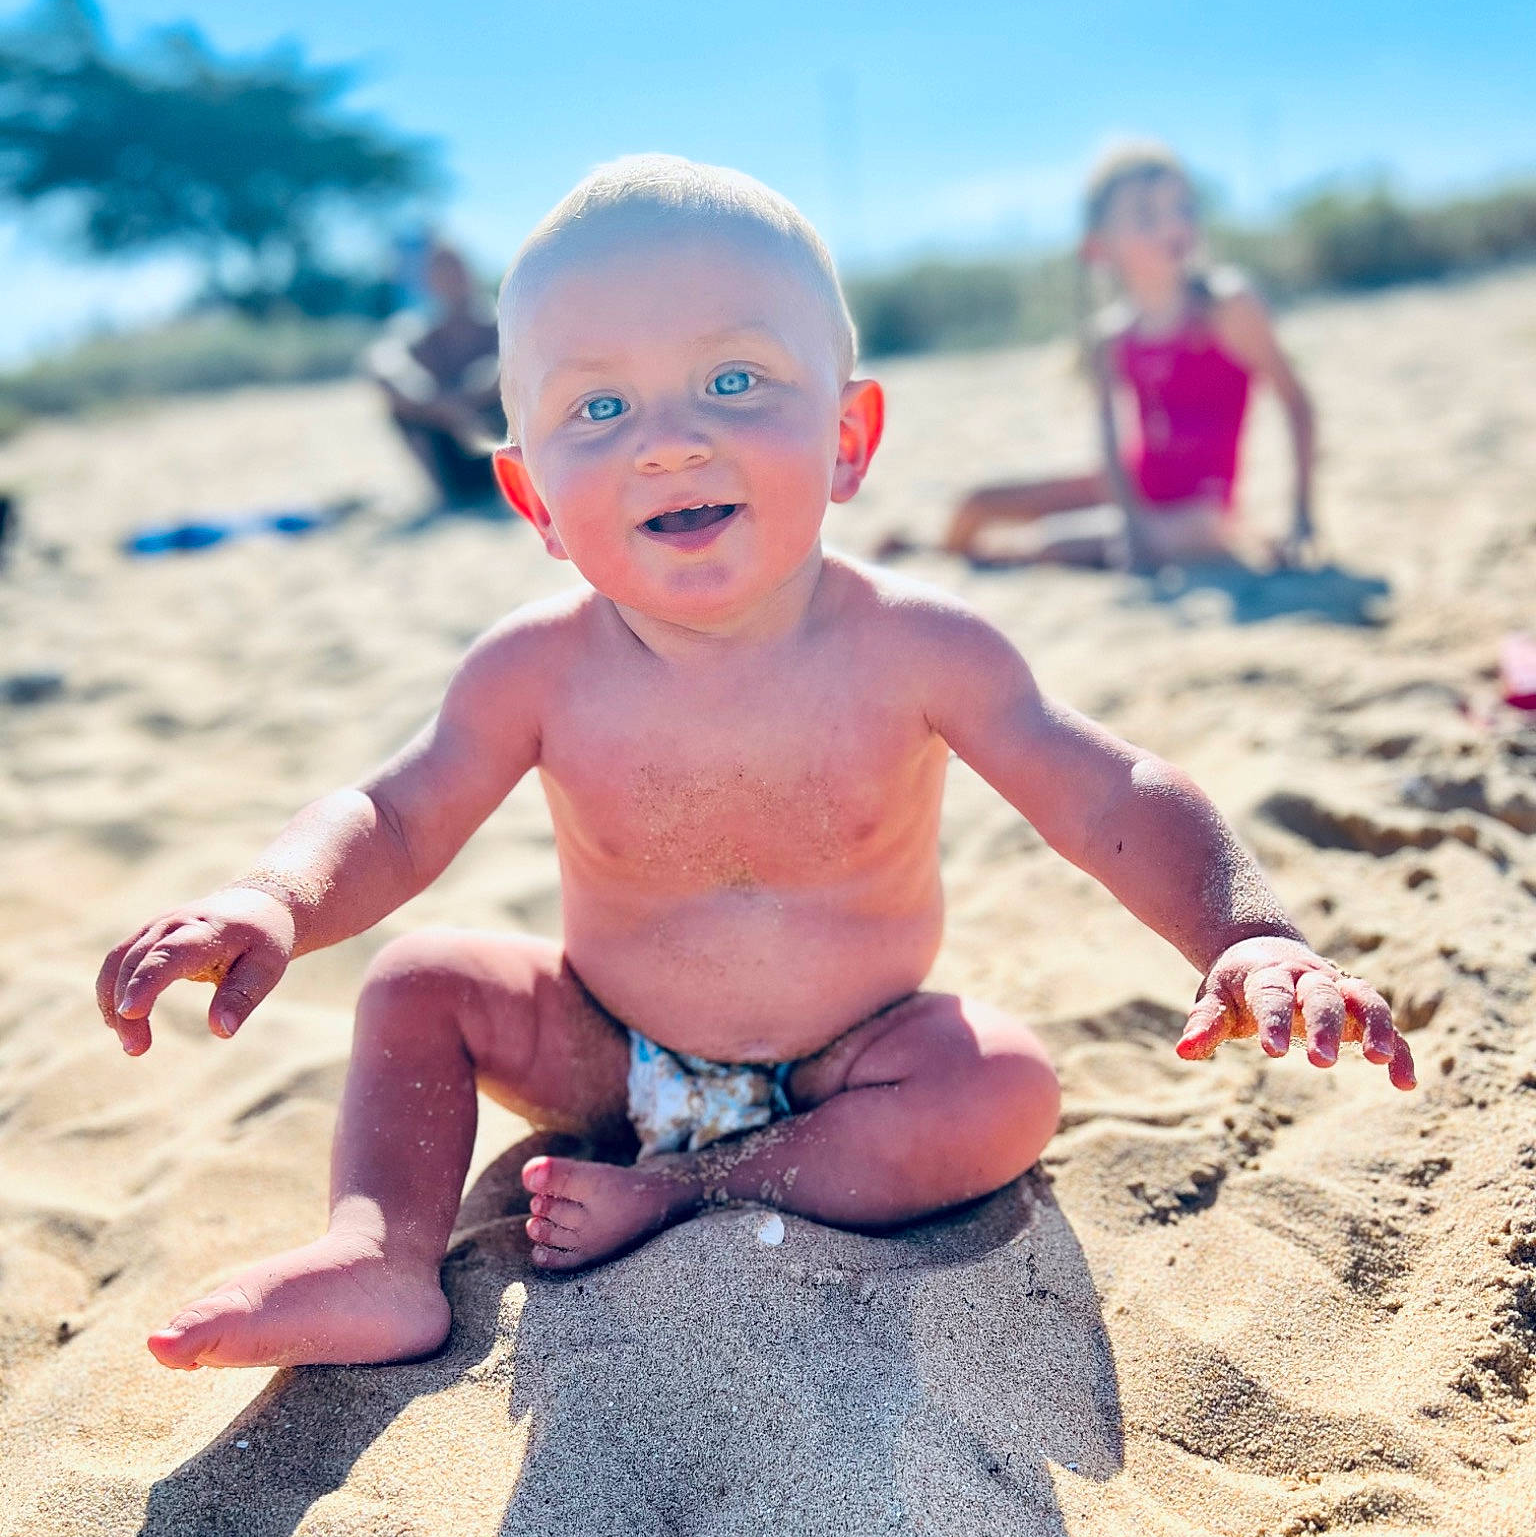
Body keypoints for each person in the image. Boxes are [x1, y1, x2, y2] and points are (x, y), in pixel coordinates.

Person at [96, 156, 1414, 1374]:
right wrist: (272, 895)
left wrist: (1245, 934)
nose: (670, 441)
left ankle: (687, 1195)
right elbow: (394, 813)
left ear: (848, 439)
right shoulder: (533, 668)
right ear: (534, 500)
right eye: (600, 406)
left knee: (1004, 1086)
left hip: (855, 1065)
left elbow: (1107, 793)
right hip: (604, 1058)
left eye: (734, 382)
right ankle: (380, 1258)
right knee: (423, 981)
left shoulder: (920, 647)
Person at [894, 143, 1315, 573]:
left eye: (1184, 208)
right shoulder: (1111, 336)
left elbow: (1297, 403)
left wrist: (1300, 521)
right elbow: (1112, 442)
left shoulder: (1226, 308)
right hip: (1132, 492)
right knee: (977, 504)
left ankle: (950, 557)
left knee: (1050, 543)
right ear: (1098, 247)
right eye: (1147, 216)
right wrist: (1130, 522)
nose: (1173, 224)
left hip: (1200, 514)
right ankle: (932, 553)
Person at [367, 239, 504, 509]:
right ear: (428, 281)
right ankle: (446, 495)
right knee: (397, 402)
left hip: (500, 442)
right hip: (450, 447)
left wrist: (468, 398)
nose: (451, 279)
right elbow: (382, 361)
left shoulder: (500, 320)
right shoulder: (419, 330)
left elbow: (509, 361)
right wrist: (439, 404)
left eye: (455, 269)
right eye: (441, 271)